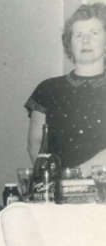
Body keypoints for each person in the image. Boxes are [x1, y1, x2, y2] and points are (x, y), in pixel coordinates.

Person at [25, 3, 106, 177]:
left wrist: (72, 176)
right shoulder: (47, 89)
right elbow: (35, 144)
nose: (86, 40)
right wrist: (55, 184)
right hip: (59, 190)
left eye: (94, 33)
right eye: (78, 35)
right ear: (69, 44)